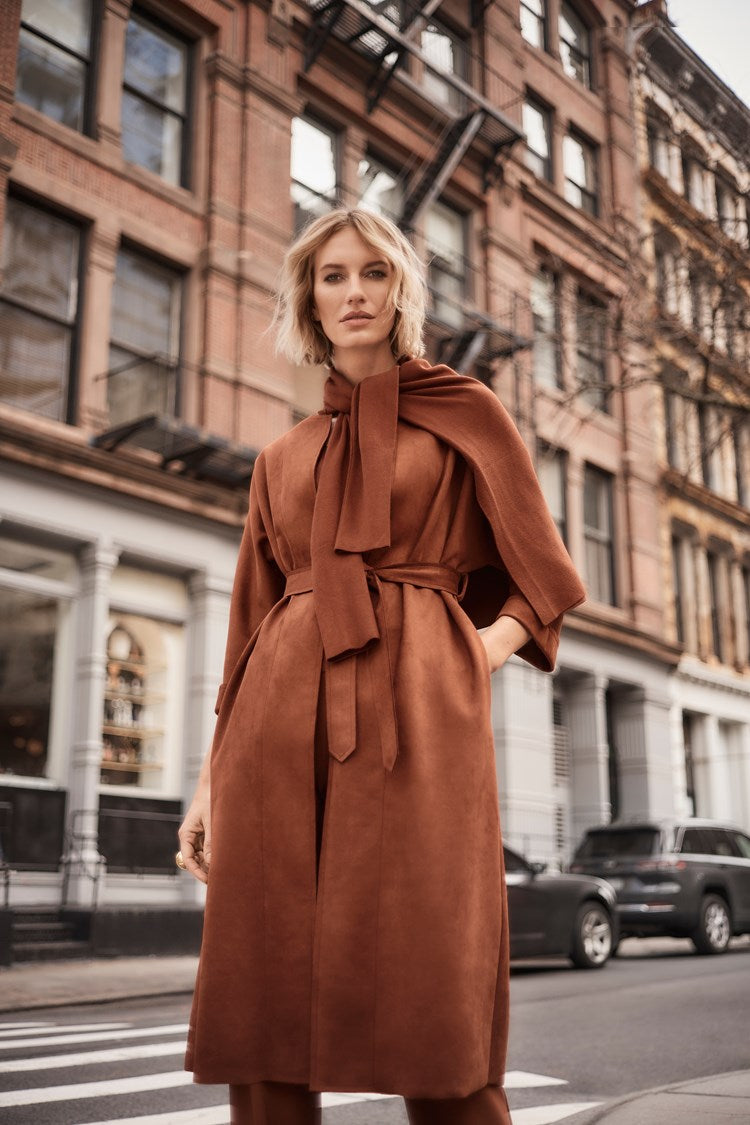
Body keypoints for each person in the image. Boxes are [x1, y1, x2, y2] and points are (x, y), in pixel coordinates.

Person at [178, 207, 586, 1125]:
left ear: (400, 287)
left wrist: (475, 650)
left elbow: (546, 578)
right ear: (308, 300)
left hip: (420, 711)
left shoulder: (466, 412)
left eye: (371, 272)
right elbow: (248, 622)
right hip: (275, 721)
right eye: (331, 276)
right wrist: (209, 781)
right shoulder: (280, 455)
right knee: (267, 985)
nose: (353, 292)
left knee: (431, 976)